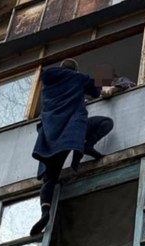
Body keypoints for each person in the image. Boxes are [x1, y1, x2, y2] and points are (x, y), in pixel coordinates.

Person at [30, 59, 114, 235]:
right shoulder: (78, 78)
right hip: (72, 132)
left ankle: (45, 211)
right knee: (106, 122)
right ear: (75, 70)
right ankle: (87, 145)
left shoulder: (47, 84)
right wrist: (107, 81)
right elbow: (98, 91)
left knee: (49, 179)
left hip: (50, 137)